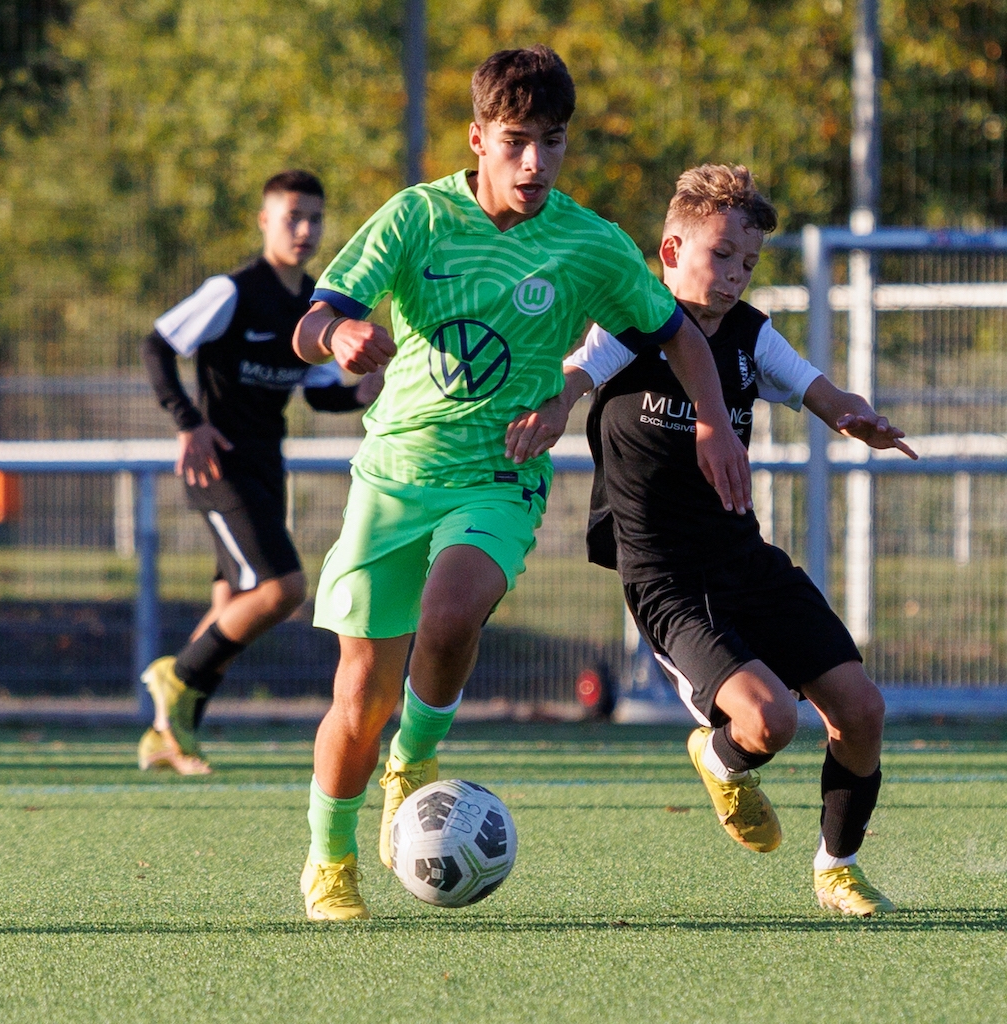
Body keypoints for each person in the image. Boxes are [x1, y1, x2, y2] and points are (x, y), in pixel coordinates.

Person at [291, 47, 753, 921]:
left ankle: (413, 763)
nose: (536, 162)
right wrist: (337, 338)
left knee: (452, 612)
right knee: (360, 695)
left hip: (499, 478)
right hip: (393, 476)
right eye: (516, 142)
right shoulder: (417, 218)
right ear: (478, 140)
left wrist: (713, 422)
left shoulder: (586, 243)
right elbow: (317, 318)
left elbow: (676, 333)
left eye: (553, 141)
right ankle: (330, 860)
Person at [559, 163, 917, 916]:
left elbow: (820, 392)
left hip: (745, 559)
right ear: (670, 250)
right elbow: (576, 376)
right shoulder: (629, 324)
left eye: (747, 263)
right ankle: (721, 758)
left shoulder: (752, 334)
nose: (733, 276)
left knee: (861, 711)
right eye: (720, 254)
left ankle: (838, 868)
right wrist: (544, 409)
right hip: (665, 578)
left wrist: (857, 418)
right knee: (769, 721)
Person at [138, 169, 381, 775]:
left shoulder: (316, 306)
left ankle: (169, 736)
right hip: (218, 464)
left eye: (315, 219)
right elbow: (157, 345)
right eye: (292, 217)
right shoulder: (233, 291)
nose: (304, 230)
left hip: (267, 465)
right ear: (264, 221)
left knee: (232, 601)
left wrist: (362, 391)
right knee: (282, 589)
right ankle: (175, 677)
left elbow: (319, 393)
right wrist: (188, 422)